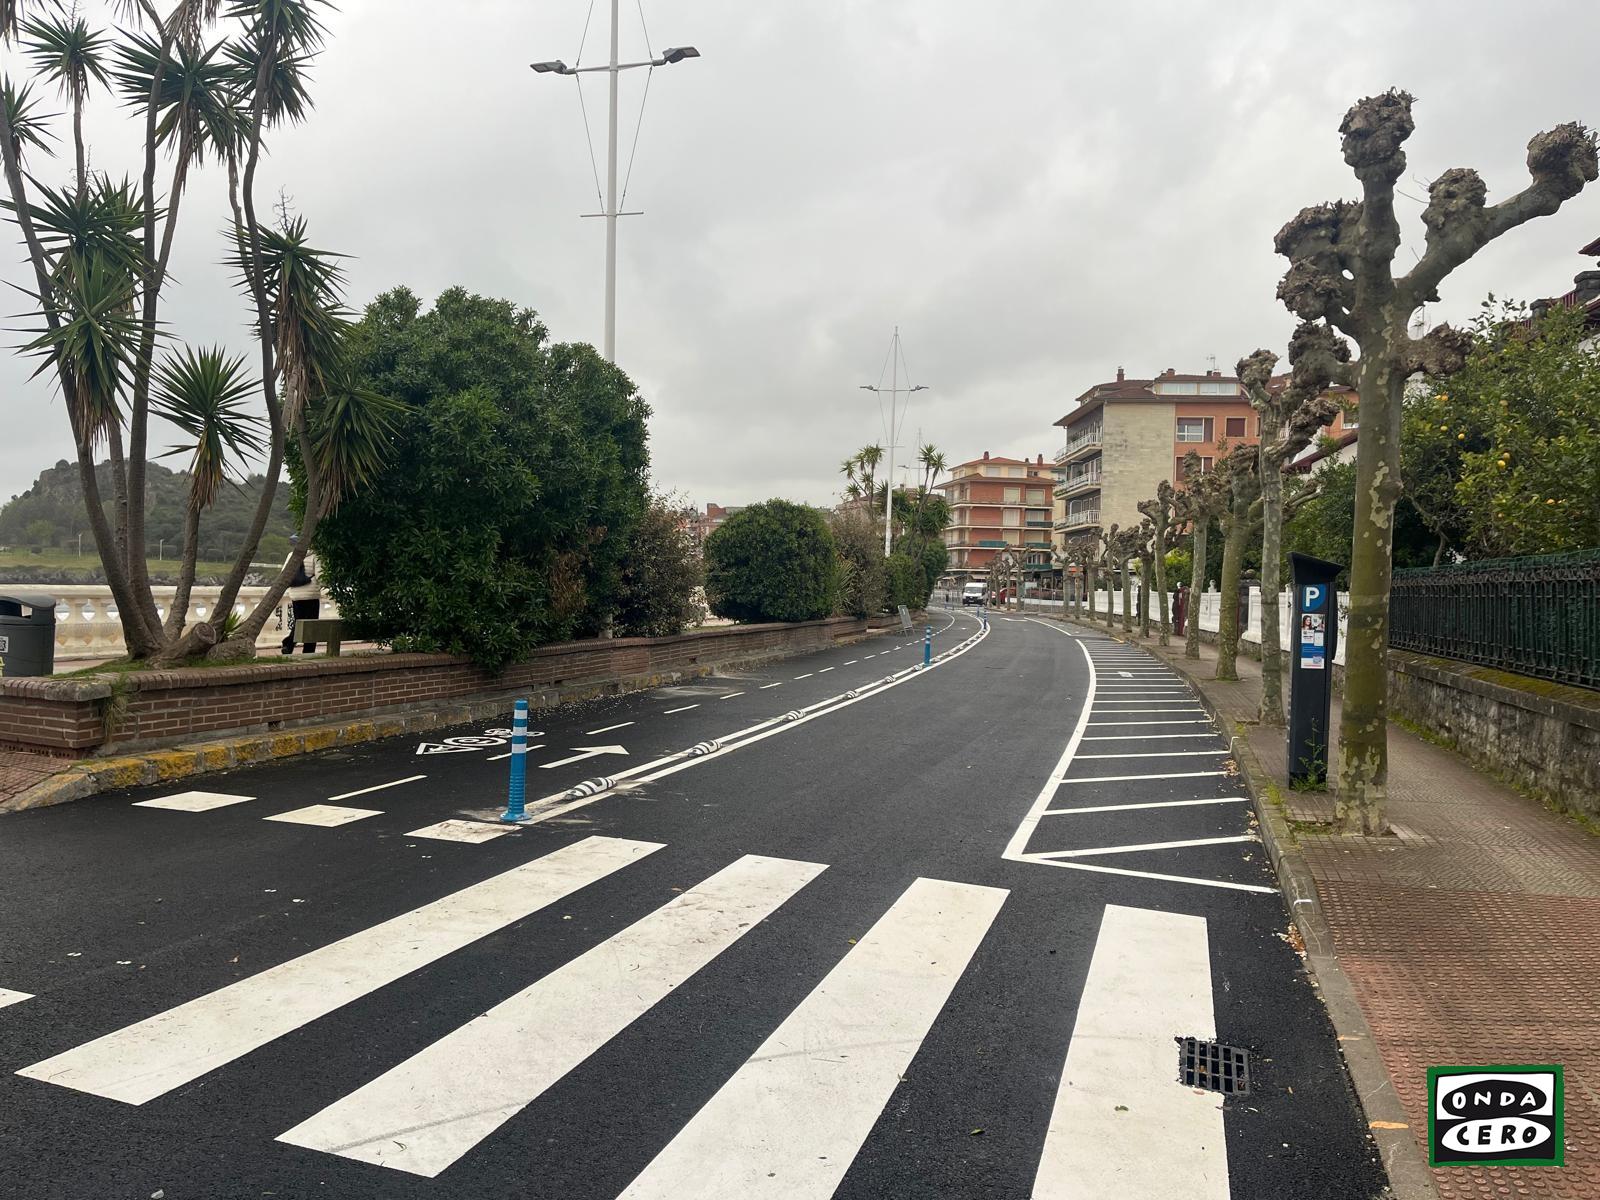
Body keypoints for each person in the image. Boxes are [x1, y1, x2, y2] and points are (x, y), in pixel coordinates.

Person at [281, 535, 321, 655]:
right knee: (311, 623)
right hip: (311, 595)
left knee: (298, 621)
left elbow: (285, 573)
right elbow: (320, 576)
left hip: (296, 594)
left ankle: (288, 645)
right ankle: (308, 650)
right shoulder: (316, 555)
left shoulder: (291, 555)